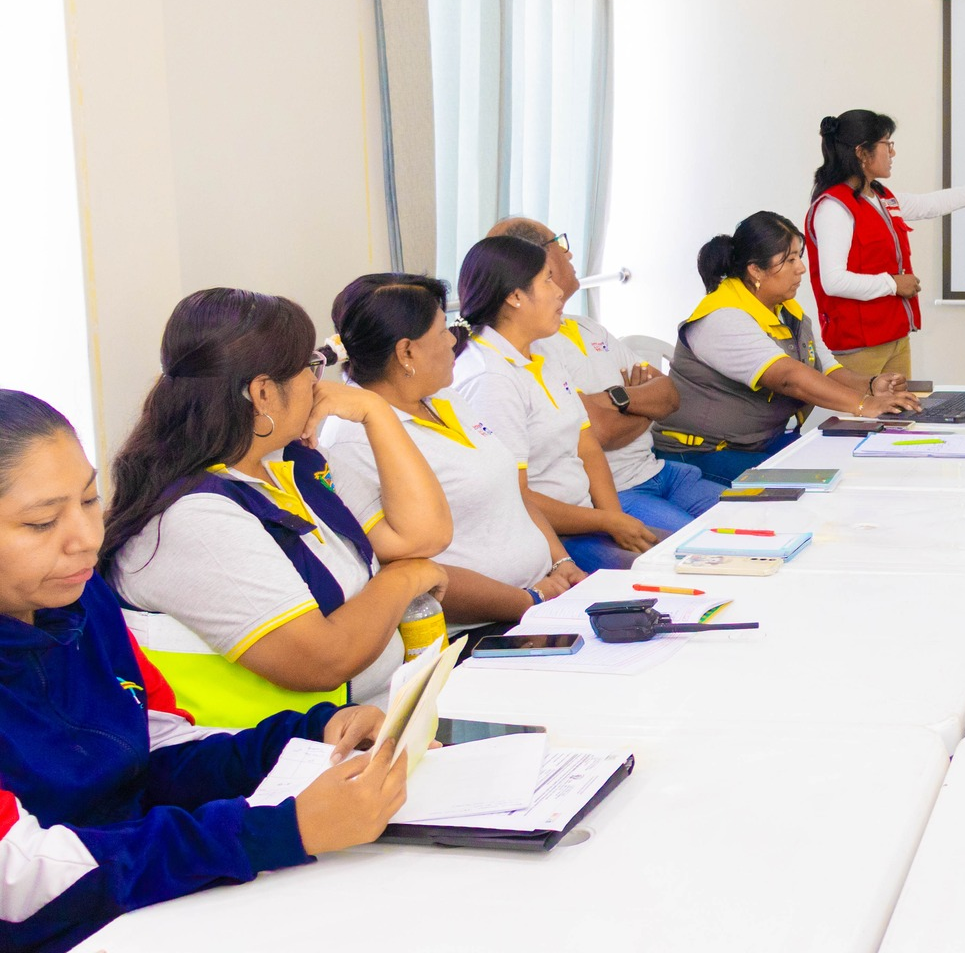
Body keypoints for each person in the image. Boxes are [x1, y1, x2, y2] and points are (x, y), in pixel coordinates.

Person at [0, 390, 411, 953]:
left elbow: (156, 750)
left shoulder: (82, 600)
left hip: (145, 902)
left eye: (91, 501)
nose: (86, 539)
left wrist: (309, 736)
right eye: (42, 522)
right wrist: (274, 832)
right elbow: (22, 881)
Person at [103, 289, 451, 728]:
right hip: (273, 763)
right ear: (264, 393)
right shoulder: (194, 518)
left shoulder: (289, 463)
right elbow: (322, 660)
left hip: (372, 720)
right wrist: (406, 576)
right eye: (309, 367)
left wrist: (374, 410)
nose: (316, 382)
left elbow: (424, 536)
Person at [324, 273, 586, 634]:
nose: (453, 339)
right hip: (484, 624)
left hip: (544, 591)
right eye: (442, 330)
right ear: (406, 352)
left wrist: (560, 561)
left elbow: (513, 492)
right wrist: (528, 600)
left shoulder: (443, 396)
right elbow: (410, 569)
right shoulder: (351, 439)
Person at [655, 212, 921, 485]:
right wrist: (865, 406)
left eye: (798, 257)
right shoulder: (722, 317)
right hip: (703, 453)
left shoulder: (787, 310)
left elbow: (825, 367)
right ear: (755, 270)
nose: (801, 268)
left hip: (763, 443)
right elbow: (787, 378)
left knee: (853, 467)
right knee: (826, 484)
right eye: (789, 259)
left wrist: (870, 385)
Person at [492, 217, 720, 533]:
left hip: (659, 470)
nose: (570, 255)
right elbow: (600, 433)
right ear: (533, 258)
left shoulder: (585, 325)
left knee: (758, 519)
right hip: (620, 490)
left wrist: (616, 399)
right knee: (705, 547)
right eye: (559, 243)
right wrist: (643, 405)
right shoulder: (533, 343)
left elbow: (669, 395)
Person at [450, 235, 655, 573]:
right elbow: (513, 496)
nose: (559, 290)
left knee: (680, 554)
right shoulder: (491, 378)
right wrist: (606, 523)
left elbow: (586, 446)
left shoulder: (541, 350)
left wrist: (615, 520)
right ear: (515, 297)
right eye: (547, 279)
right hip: (546, 538)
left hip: (589, 521)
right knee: (661, 572)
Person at [804, 109, 965, 380]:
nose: (892, 153)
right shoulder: (834, 207)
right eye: (887, 145)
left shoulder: (881, 197)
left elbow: (930, 204)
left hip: (894, 339)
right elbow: (833, 281)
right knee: (861, 421)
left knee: (897, 419)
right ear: (862, 152)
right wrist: (893, 284)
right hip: (858, 348)